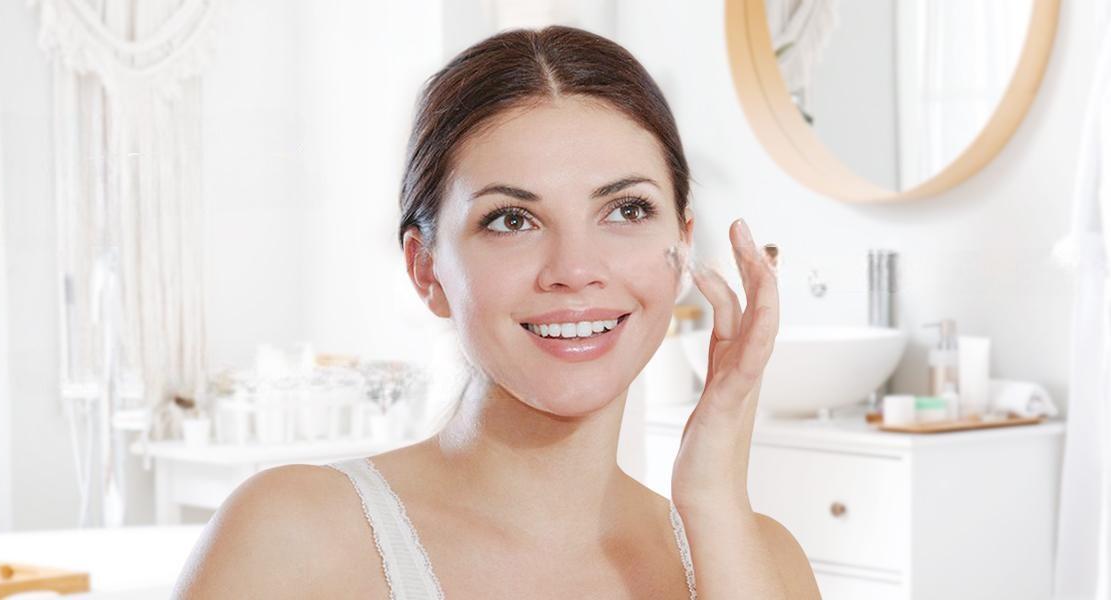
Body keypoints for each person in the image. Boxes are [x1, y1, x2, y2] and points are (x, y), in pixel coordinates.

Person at [174, 25, 820, 599]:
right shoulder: (295, 537)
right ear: (426, 269)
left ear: (679, 244)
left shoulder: (755, 556)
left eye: (626, 210)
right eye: (512, 220)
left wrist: (712, 499)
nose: (574, 268)